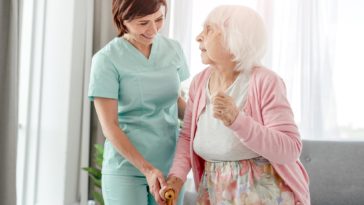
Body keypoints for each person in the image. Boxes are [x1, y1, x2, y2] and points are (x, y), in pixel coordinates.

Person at [160, 5, 310, 205]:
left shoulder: (265, 81)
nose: (198, 37)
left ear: (234, 39)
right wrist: (177, 177)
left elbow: (290, 149)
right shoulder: (199, 82)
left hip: (262, 193)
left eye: (209, 30)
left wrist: (237, 120)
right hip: (212, 188)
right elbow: (187, 136)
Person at [88, 0, 189, 204]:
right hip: (126, 168)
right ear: (123, 20)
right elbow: (110, 126)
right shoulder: (106, 60)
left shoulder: (173, 49)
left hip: (171, 168)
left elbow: (176, 101)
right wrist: (148, 170)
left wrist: (209, 123)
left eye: (159, 19)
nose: (153, 29)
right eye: (143, 23)